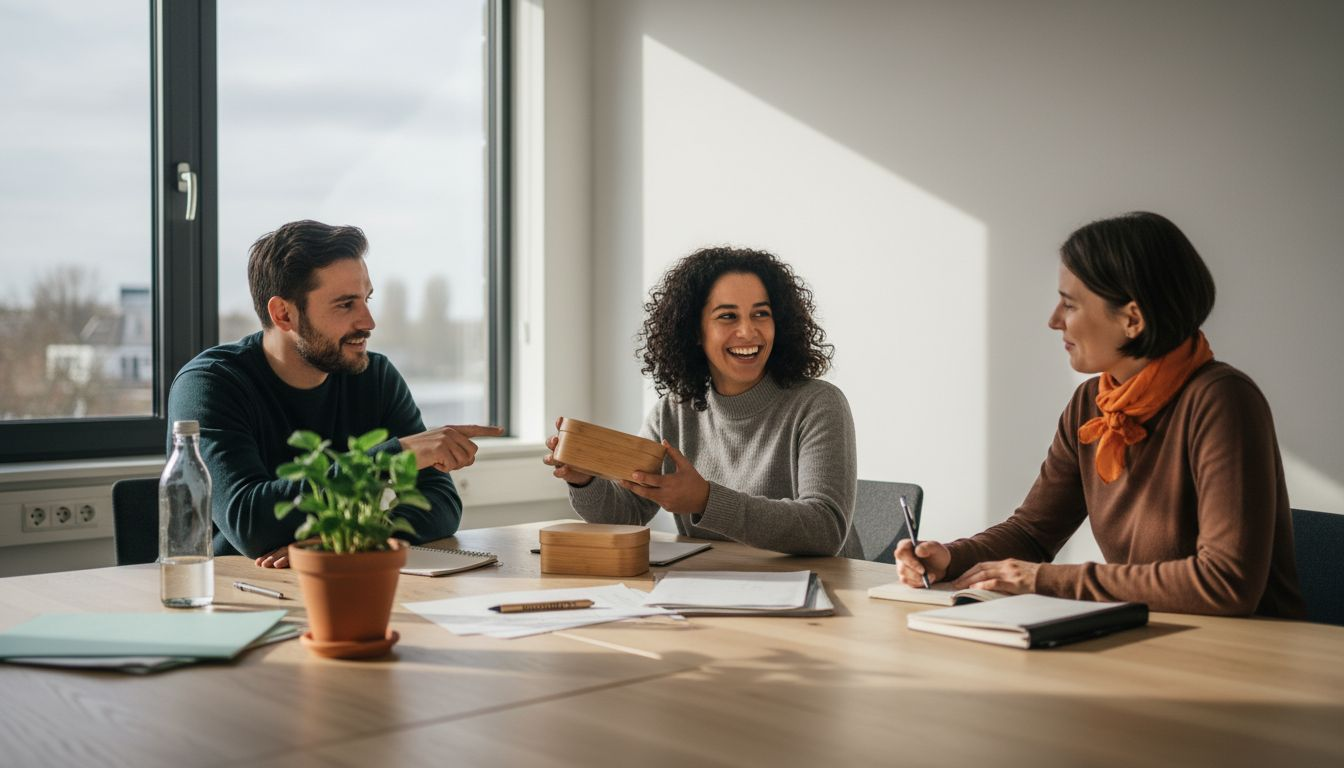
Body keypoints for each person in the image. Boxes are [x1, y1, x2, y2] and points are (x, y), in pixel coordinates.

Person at [895, 212, 1305, 617]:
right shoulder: (1090, 403)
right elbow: (1032, 532)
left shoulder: (1222, 401)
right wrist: (951, 557)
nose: (1054, 321)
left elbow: (1225, 583)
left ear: (1132, 319)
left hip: (1248, 656)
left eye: (1069, 305)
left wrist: (1045, 580)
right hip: (1148, 639)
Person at [167, 220, 501, 567]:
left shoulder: (376, 377)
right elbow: (251, 523)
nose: (368, 321)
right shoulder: (210, 385)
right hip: (237, 602)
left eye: (367, 299)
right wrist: (392, 458)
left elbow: (442, 504)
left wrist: (342, 540)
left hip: (348, 582)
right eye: (345, 305)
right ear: (284, 314)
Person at [543, 246, 857, 556]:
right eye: (728, 316)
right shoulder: (672, 414)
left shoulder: (818, 404)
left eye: (761, 314)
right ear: (695, 331)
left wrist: (707, 500)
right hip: (712, 588)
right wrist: (585, 480)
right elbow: (628, 515)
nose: (748, 331)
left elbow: (824, 529)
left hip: (819, 592)